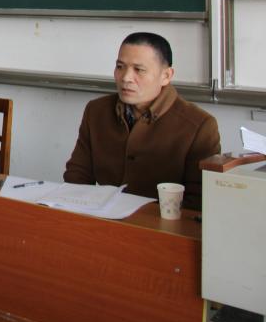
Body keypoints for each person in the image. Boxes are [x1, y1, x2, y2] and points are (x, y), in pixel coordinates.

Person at [63, 32, 220, 210]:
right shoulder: (97, 111)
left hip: (161, 222)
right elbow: (77, 175)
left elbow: (198, 202)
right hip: (102, 217)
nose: (126, 78)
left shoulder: (199, 125)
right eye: (120, 67)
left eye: (139, 70)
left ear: (166, 76)